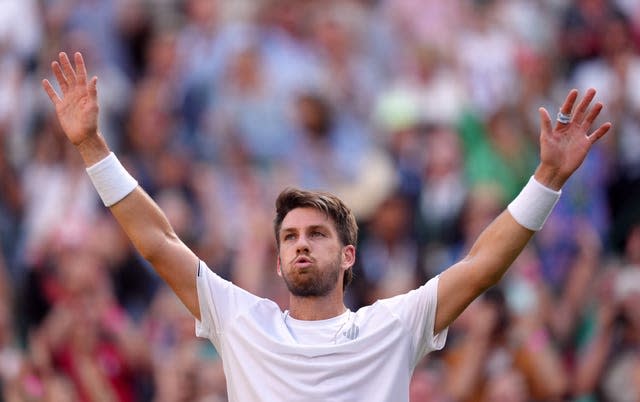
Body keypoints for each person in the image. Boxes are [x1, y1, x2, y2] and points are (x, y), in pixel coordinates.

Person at [42, 51, 611, 401]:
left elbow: (483, 264)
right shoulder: (241, 320)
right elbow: (157, 240)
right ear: (279, 258)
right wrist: (92, 146)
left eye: (316, 235)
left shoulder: (392, 325)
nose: (301, 245)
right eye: (289, 237)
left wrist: (547, 177)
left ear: (348, 256)